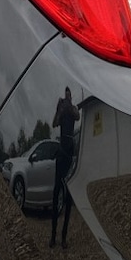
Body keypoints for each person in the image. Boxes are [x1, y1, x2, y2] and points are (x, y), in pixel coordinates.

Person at [50, 87, 79, 249]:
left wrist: (67, 106)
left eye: (69, 94)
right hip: (61, 152)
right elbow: (54, 123)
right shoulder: (62, 108)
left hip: (69, 153)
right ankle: (53, 235)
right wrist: (59, 110)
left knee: (68, 197)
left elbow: (77, 115)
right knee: (56, 193)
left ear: (71, 96)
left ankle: (64, 237)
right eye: (65, 94)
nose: (67, 96)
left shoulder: (72, 108)